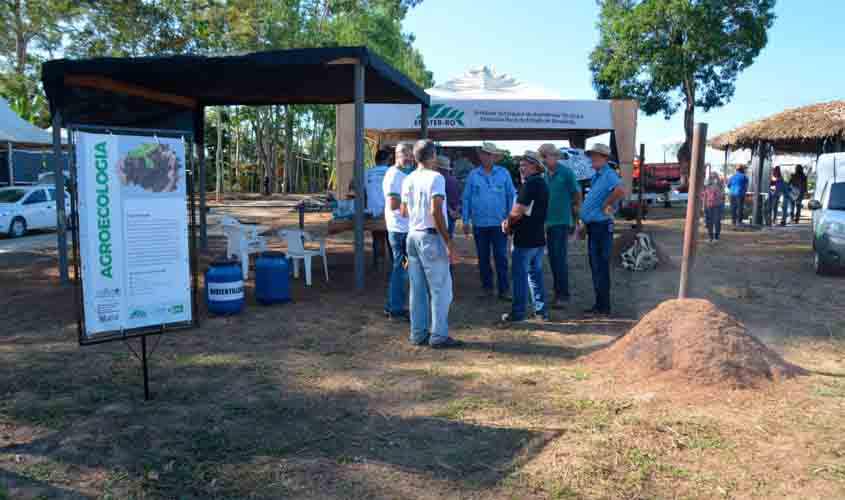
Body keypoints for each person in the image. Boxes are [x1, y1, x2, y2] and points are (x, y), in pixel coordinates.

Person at [401, 139, 462, 349]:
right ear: (433, 156)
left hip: (412, 235)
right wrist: (449, 242)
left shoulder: (408, 179)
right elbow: (435, 211)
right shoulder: (436, 177)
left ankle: (417, 334)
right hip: (430, 237)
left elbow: (402, 210)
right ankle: (439, 335)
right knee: (441, 290)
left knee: (417, 289)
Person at [462, 142, 516, 301]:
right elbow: (466, 198)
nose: (486, 157)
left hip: (500, 223)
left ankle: (504, 290)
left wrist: (510, 218)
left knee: (501, 257)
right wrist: (465, 220)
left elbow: (511, 196)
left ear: (495, 157)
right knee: (483, 258)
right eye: (484, 154)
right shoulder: (473, 175)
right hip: (479, 224)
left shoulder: (504, 173)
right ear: (481, 156)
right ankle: (487, 289)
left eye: (489, 154)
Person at [502, 152, 550, 323]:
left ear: (535, 166)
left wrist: (507, 223)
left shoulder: (529, 185)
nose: (521, 168)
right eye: (520, 165)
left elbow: (517, 211)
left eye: (525, 165)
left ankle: (518, 313)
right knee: (534, 276)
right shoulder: (542, 184)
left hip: (524, 239)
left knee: (520, 277)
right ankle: (541, 311)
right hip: (537, 238)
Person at [578, 144, 625, 316]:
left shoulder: (608, 174)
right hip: (595, 226)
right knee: (596, 266)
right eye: (592, 156)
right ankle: (600, 304)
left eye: (596, 156)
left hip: (601, 227)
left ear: (605, 158)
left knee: (600, 266)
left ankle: (603, 307)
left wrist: (606, 203)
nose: (592, 159)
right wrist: (585, 222)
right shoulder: (598, 176)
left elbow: (620, 190)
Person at [538, 143, 581, 307]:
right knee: (553, 259)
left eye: (548, 156)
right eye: (545, 156)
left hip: (561, 221)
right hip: (546, 223)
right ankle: (559, 292)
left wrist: (577, 216)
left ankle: (563, 295)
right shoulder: (543, 175)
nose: (546, 159)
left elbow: (576, 193)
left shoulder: (566, 172)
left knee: (559, 259)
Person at [382, 143, 413, 320]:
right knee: (401, 269)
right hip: (400, 231)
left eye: (410, 155)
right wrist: (417, 210)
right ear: (396, 155)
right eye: (404, 155)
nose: (408, 158)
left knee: (400, 268)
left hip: (402, 229)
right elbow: (393, 204)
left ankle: (391, 305)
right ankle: (395, 309)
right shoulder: (393, 175)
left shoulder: (402, 174)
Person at [437, 155, 461, 239]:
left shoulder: (439, 180)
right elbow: (458, 198)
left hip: (443, 215)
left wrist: (450, 211)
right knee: (449, 239)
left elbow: (441, 200)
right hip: (452, 216)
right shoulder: (453, 180)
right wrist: (456, 211)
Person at [702, 171, 725, 243]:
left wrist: (704, 206)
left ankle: (714, 238)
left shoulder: (717, 186)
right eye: (713, 177)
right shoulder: (718, 186)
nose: (714, 179)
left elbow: (704, 197)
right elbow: (704, 197)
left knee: (714, 222)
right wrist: (704, 206)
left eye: (714, 177)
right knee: (712, 222)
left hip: (714, 206)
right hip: (712, 206)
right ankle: (712, 238)